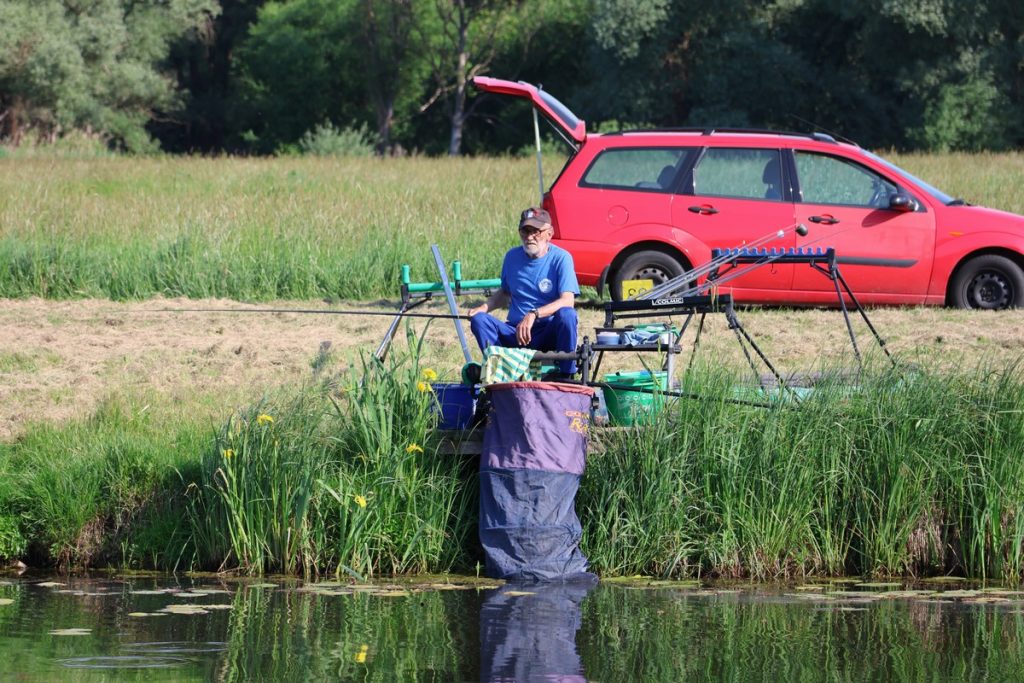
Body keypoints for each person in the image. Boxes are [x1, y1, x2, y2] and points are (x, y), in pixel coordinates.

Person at [468, 207, 579, 378]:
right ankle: (498, 372)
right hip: (516, 333)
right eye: (525, 231)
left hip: (546, 333)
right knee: (479, 320)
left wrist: (534, 314)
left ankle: (566, 375)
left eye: (536, 232)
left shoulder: (562, 258)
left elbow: (567, 300)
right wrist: (483, 307)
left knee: (567, 315)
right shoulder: (511, 257)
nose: (529, 237)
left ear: (549, 233)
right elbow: (505, 292)